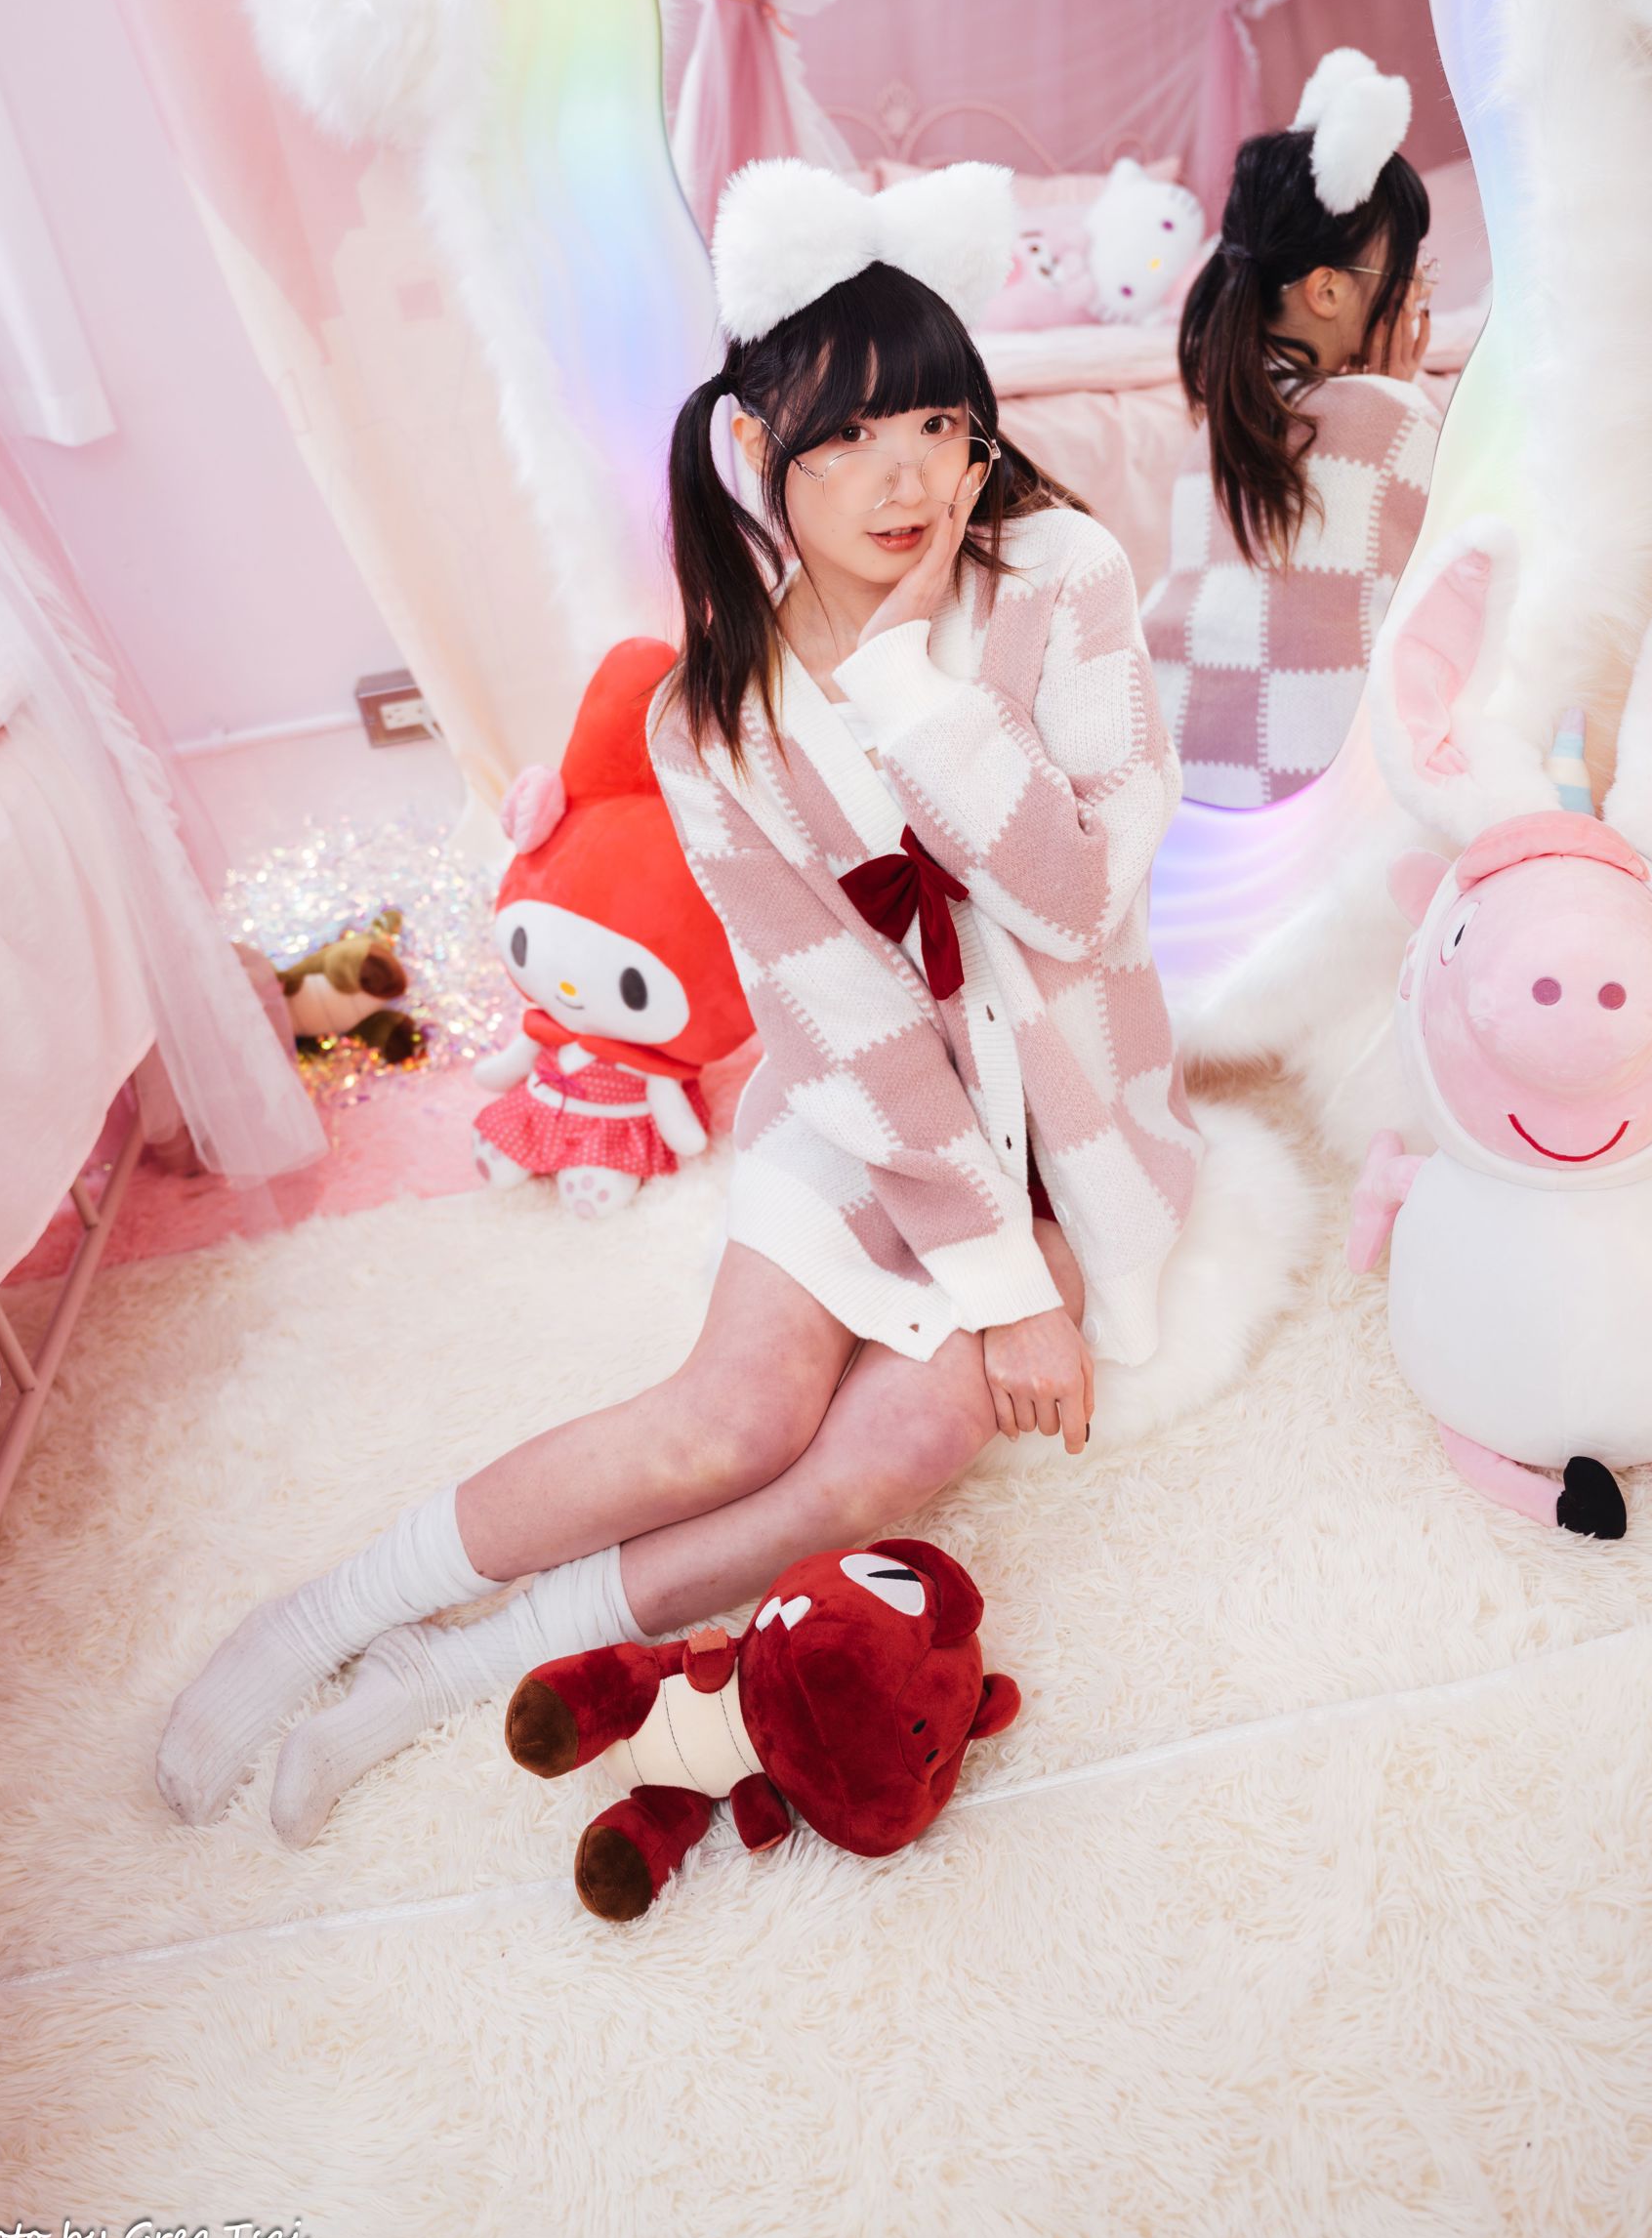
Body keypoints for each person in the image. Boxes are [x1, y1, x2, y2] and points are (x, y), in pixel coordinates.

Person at [155, 157, 1197, 1847]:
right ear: (759, 448)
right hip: (865, 1113)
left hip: (1063, 1111)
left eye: (939, 424)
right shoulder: (712, 722)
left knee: (889, 1457)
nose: (905, 474)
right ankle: (333, 1616)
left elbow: (1080, 897)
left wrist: (913, 688)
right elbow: (852, 1022)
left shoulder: (1063, 578)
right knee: (733, 1419)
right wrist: (998, 1283)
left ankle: (460, 1665)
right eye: (849, 435)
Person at [1141, 50, 1439, 807]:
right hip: (1319, 809)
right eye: (1405, 269)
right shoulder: (1396, 418)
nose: (1415, 289)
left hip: (1190, 795)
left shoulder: (1212, 432)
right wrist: (1394, 396)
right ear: (1328, 291)